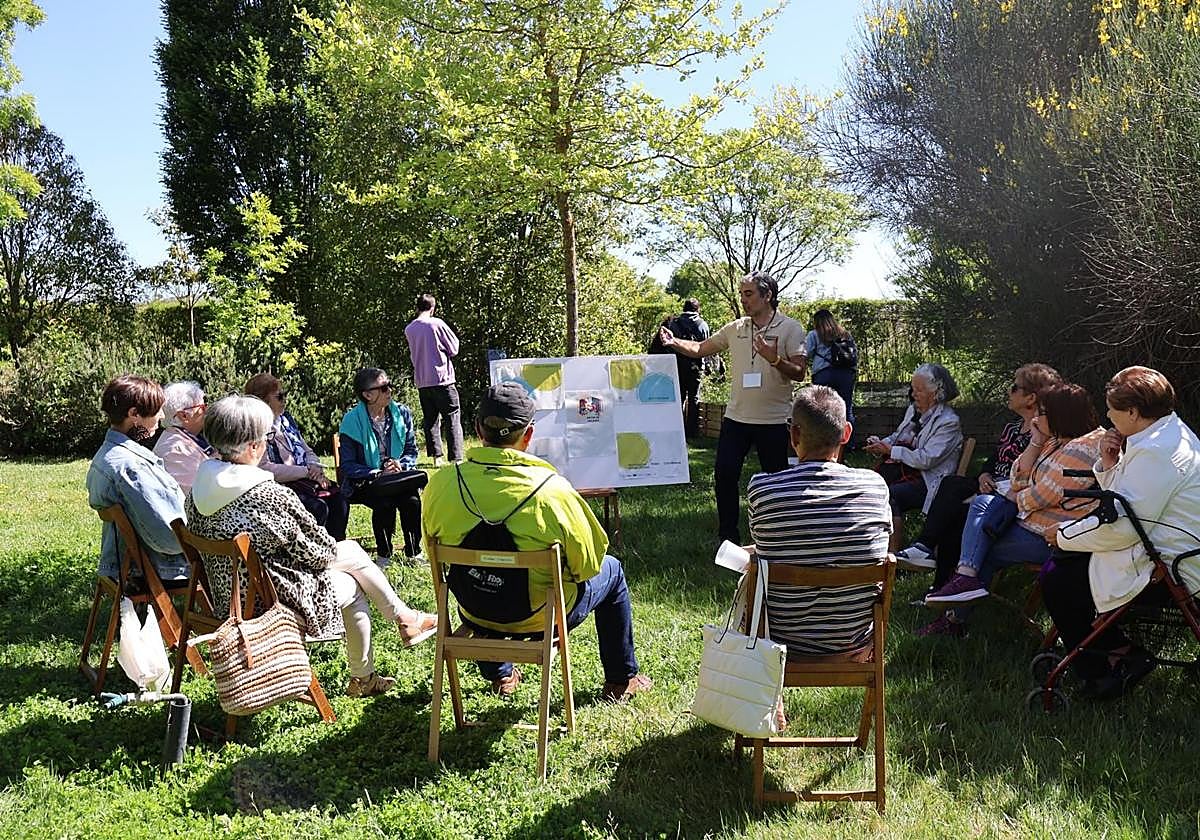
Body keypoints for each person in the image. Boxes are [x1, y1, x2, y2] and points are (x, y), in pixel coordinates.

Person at [185, 395, 438, 698]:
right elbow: (320, 553)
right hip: (273, 601)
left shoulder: (196, 492)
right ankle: (370, 667)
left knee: (352, 556)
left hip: (229, 599)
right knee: (354, 582)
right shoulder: (267, 495)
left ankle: (403, 624)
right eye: (267, 437)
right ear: (253, 446)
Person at [422, 381, 653, 702]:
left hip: (474, 610)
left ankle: (501, 674)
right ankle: (620, 680)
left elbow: (432, 552)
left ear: (477, 428)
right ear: (528, 435)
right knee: (611, 572)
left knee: (482, 579)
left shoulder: (441, 484)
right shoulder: (553, 491)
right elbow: (586, 567)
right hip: (542, 617)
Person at [1043, 367, 1200, 698]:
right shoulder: (1163, 434)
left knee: (1058, 577)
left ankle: (1109, 665)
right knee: (1062, 565)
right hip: (1157, 547)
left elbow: (1126, 526)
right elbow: (1125, 505)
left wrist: (1062, 535)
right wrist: (1110, 463)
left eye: (1112, 408)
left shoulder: (1158, 451)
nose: (1108, 415)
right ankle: (1116, 654)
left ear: (1132, 412)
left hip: (1172, 564)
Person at [920, 383, 1105, 636]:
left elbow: (1047, 493)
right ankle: (962, 590)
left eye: (1042, 413)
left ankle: (954, 615)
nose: (1036, 419)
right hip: (1031, 523)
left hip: (1053, 536)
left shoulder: (1085, 447)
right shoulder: (1054, 441)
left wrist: (1017, 498)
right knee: (980, 510)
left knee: (982, 547)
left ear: (1060, 415)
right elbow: (1018, 477)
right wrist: (1036, 442)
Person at [659, 271, 808, 545]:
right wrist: (673, 342)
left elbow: (799, 372)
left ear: (768, 296)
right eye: (741, 294)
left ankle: (777, 536)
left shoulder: (791, 328)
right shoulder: (736, 327)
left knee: (775, 482)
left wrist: (775, 360)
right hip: (736, 419)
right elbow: (700, 348)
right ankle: (728, 536)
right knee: (725, 474)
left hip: (773, 421)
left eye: (748, 294)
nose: (743, 300)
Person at [747, 386, 891, 658]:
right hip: (854, 646)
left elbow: (764, 547)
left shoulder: (763, 490)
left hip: (776, 646)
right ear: (846, 433)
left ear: (794, 435)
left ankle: (769, 699)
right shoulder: (876, 488)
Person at [896, 363, 1062, 582]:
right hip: (991, 483)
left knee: (957, 512)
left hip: (1009, 495)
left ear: (1031, 398)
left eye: (1014, 387)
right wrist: (984, 475)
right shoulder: (1012, 428)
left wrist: (996, 484)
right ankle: (927, 553)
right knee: (952, 485)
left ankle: (940, 576)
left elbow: (1030, 475)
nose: (1008, 391)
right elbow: (993, 460)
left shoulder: (1042, 434)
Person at [86, 375, 188, 582]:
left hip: (123, 564)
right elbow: (169, 540)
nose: (161, 417)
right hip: (163, 568)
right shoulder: (131, 467)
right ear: (134, 414)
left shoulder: (106, 454)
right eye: (156, 411)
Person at [864, 363, 963, 552]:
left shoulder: (949, 422)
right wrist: (881, 443)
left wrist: (891, 450)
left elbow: (926, 459)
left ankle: (890, 557)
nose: (913, 393)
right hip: (905, 470)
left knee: (890, 494)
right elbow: (897, 437)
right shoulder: (914, 411)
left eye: (919, 389)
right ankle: (868, 546)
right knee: (869, 486)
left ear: (936, 394)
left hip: (929, 481)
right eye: (913, 388)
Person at [245, 372, 349, 542]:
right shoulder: (256, 429)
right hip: (278, 487)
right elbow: (265, 468)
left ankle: (337, 549)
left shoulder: (285, 421)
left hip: (303, 479)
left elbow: (307, 450)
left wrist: (315, 467)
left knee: (339, 499)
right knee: (317, 507)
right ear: (262, 402)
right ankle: (314, 555)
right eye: (279, 396)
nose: (284, 400)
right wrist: (306, 472)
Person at [338, 367, 427, 563]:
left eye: (389, 385)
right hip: (365, 482)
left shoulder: (401, 413)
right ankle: (384, 555)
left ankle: (414, 552)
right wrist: (377, 472)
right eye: (384, 387)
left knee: (411, 499)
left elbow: (411, 451)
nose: (390, 391)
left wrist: (400, 464)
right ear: (367, 395)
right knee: (384, 502)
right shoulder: (351, 421)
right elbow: (348, 465)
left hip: (398, 477)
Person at [404, 293, 464, 465]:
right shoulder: (436, 323)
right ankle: (456, 458)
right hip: (443, 379)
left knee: (431, 419)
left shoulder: (409, 329)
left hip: (422, 381)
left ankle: (437, 457)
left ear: (417, 307)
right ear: (433, 308)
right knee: (452, 417)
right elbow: (454, 348)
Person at [153, 380, 215, 493]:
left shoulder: (182, 437)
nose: (207, 410)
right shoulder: (174, 450)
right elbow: (201, 491)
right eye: (202, 407)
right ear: (184, 416)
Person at [803, 308, 858, 428]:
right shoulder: (844, 333)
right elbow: (853, 355)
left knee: (822, 410)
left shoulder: (814, 334)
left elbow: (805, 354)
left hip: (823, 374)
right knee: (846, 410)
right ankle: (848, 444)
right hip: (845, 375)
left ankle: (825, 443)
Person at [669, 299, 710, 438]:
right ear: (697, 310)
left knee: (678, 398)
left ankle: (676, 428)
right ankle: (691, 431)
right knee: (693, 398)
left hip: (677, 366)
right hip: (695, 367)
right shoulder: (702, 325)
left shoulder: (674, 324)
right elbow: (707, 347)